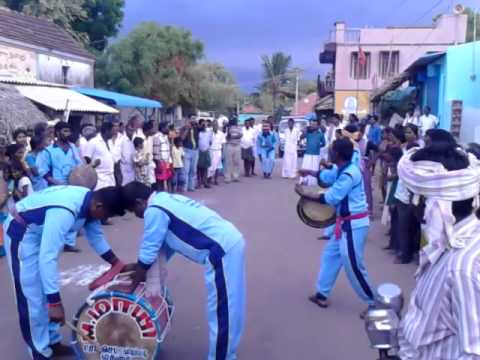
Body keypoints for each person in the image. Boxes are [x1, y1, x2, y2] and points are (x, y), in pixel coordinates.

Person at [118, 182, 246, 360]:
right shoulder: (165, 199)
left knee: (223, 311)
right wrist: (139, 268)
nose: (137, 215)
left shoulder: (154, 210)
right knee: (230, 307)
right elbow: (164, 247)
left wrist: (131, 287)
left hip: (222, 250)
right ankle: (226, 354)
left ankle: (222, 357)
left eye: (134, 210)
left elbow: (149, 250)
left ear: (139, 202)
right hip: (229, 243)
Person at [3, 185, 126, 359]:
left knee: (46, 289)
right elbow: (48, 257)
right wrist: (55, 304)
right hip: (23, 234)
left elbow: (96, 237)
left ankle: (52, 342)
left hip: (41, 232)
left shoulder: (90, 203)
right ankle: (39, 352)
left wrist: (117, 263)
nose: (104, 219)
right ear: (98, 206)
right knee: (31, 296)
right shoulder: (66, 210)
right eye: (106, 215)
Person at [396, 133, 480, 359]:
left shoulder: (463, 268)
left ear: (435, 205)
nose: (413, 207)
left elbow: (474, 352)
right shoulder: (444, 244)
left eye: (415, 197)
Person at [296, 138, 375, 315]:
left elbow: (332, 197)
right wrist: (309, 172)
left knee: (354, 265)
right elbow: (327, 176)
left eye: (331, 151)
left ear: (337, 154)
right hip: (345, 223)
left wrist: (307, 194)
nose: (329, 153)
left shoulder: (349, 174)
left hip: (354, 225)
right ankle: (321, 294)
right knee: (330, 256)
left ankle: (374, 304)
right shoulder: (342, 169)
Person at [37, 122, 82, 252]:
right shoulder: (48, 151)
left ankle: (69, 242)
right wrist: (56, 182)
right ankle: (53, 243)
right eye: (65, 131)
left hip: (73, 186)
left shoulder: (73, 148)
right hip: (56, 188)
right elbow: (43, 172)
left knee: (73, 213)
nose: (68, 134)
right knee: (56, 216)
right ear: (57, 133)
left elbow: (79, 165)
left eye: (69, 131)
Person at [83, 121, 115, 190]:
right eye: (112, 131)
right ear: (107, 131)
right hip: (99, 180)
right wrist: (93, 164)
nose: (114, 133)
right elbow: (86, 160)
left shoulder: (110, 142)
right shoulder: (93, 142)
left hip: (110, 179)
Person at [300, 120, 326, 185]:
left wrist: (319, 146)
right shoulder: (308, 133)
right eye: (312, 125)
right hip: (307, 153)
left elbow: (324, 143)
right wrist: (305, 130)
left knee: (314, 168)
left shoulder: (320, 134)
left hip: (316, 154)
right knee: (306, 167)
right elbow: (301, 137)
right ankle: (304, 180)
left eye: (314, 125)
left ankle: (313, 182)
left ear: (318, 126)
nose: (313, 126)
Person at [181, 116, 199, 191]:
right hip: (187, 150)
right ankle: (184, 187)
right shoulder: (183, 128)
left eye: (194, 119)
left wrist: (196, 125)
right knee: (186, 170)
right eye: (192, 119)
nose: (193, 120)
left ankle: (191, 186)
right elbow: (182, 138)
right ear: (188, 120)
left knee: (193, 170)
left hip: (195, 150)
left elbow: (203, 128)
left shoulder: (196, 128)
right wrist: (187, 129)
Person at [153, 122, 173, 192]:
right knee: (160, 180)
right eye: (167, 127)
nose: (168, 129)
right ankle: (160, 195)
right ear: (162, 128)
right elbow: (156, 152)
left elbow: (168, 150)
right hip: (160, 162)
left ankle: (169, 195)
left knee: (169, 178)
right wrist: (158, 163)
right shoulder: (157, 137)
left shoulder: (166, 136)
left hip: (167, 162)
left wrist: (170, 162)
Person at [224, 117, 243, 183]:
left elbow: (240, 135)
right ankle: (227, 177)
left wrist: (233, 136)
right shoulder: (227, 128)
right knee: (228, 162)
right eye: (235, 121)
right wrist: (233, 136)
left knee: (237, 162)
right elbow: (227, 137)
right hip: (229, 145)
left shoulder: (239, 127)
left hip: (237, 145)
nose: (236, 122)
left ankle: (236, 176)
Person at [120, 117, 137, 185]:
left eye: (132, 130)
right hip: (124, 169)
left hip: (132, 169)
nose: (131, 132)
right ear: (126, 129)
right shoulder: (122, 139)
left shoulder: (133, 140)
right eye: (129, 129)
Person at [208, 120, 226, 185]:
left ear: (218, 126)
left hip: (218, 151)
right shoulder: (209, 132)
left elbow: (223, 144)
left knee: (218, 166)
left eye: (216, 125)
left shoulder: (221, 133)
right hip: (211, 150)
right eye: (214, 125)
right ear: (212, 125)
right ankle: (209, 179)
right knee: (210, 166)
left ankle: (215, 180)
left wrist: (223, 153)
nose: (215, 126)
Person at [197, 120, 212, 188]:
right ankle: (199, 182)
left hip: (206, 151)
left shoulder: (209, 132)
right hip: (199, 151)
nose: (204, 126)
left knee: (205, 168)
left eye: (205, 125)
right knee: (199, 168)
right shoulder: (198, 132)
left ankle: (205, 182)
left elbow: (210, 142)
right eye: (202, 125)